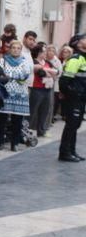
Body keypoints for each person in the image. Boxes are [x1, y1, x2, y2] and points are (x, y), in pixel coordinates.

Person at [0, 40, 31, 152]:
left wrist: (9, 76)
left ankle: (15, 143)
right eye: (13, 48)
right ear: (10, 49)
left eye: (18, 48)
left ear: (21, 50)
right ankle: (0, 142)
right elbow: (0, 74)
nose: (16, 50)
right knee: (1, 119)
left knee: (17, 121)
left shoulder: (25, 61)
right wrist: (14, 76)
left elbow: (25, 75)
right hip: (5, 93)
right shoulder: (3, 60)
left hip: (20, 95)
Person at [58, 34, 86, 162]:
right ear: (78, 43)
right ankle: (64, 153)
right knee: (71, 125)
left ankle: (72, 151)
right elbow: (64, 81)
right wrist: (72, 94)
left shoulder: (83, 58)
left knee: (76, 125)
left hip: (80, 98)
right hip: (74, 98)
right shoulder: (76, 58)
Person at [28, 43, 58, 137]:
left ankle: (41, 130)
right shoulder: (33, 62)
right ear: (38, 52)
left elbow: (56, 72)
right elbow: (41, 73)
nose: (46, 53)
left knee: (45, 110)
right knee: (32, 109)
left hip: (47, 89)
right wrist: (48, 72)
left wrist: (49, 72)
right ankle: (27, 129)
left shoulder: (48, 63)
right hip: (36, 88)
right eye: (44, 52)